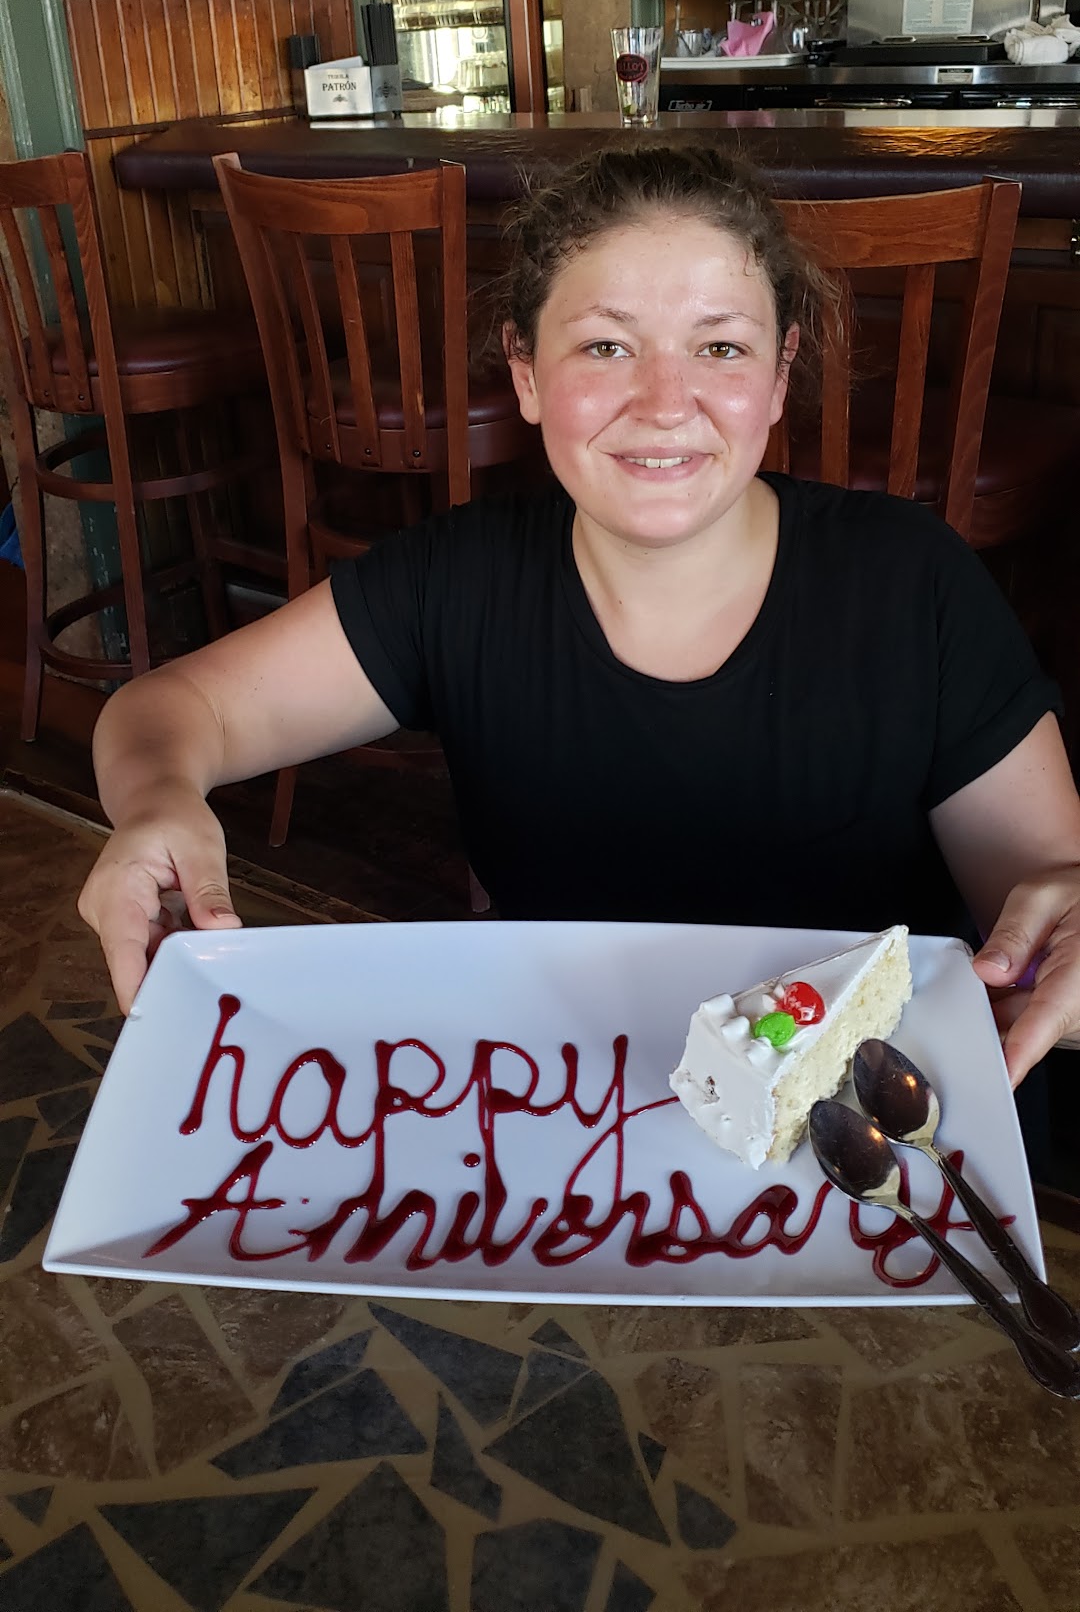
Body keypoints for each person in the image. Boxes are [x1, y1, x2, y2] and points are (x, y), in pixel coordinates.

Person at [77, 144, 1080, 1091]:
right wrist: (157, 800)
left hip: (861, 1132)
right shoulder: (457, 582)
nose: (665, 402)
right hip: (575, 1119)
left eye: (720, 347)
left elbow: (1042, 896)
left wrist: (1063, 940)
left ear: (779, 376)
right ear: (525, 372)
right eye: (606, 345)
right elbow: (173, 710)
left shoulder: (911, 585)